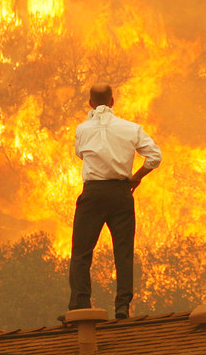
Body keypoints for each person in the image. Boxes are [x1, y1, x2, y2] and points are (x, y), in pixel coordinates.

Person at [68, 83, 162, 320]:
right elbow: (154, 156)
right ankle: (122, 307)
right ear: (113, 101)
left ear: (90, 103)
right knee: (123, 252)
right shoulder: (131, 128)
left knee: (81, 253)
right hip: (121, 193)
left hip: (93, 193)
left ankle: (80, 306)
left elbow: (81, 154)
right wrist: (136, 178)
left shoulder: (82, 129)